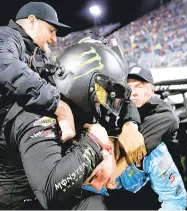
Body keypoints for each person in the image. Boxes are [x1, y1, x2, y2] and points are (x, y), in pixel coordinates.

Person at [0, 39, 142, 210]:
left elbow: (122, 101)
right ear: (83, 83)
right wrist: (95, 141)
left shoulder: (70, 104)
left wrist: (130, 124)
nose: (106, 106)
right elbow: (50, 192)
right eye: (103, 95)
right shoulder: (37, 113)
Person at [83, 65, 187, 210]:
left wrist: (116, 170)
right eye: (129, 86)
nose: (133, 92)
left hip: (162, 185)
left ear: (151, 91)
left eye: (139, 86)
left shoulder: (161, 111)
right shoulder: (118, 110)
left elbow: (138, 144)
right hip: (127, 187)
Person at [0, 2, 76, 143]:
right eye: (51, 30)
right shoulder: (7, 35)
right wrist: (58, 105)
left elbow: (66, 85)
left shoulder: (42, 54)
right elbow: (4, 65)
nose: (54, 38)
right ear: (32, 21)